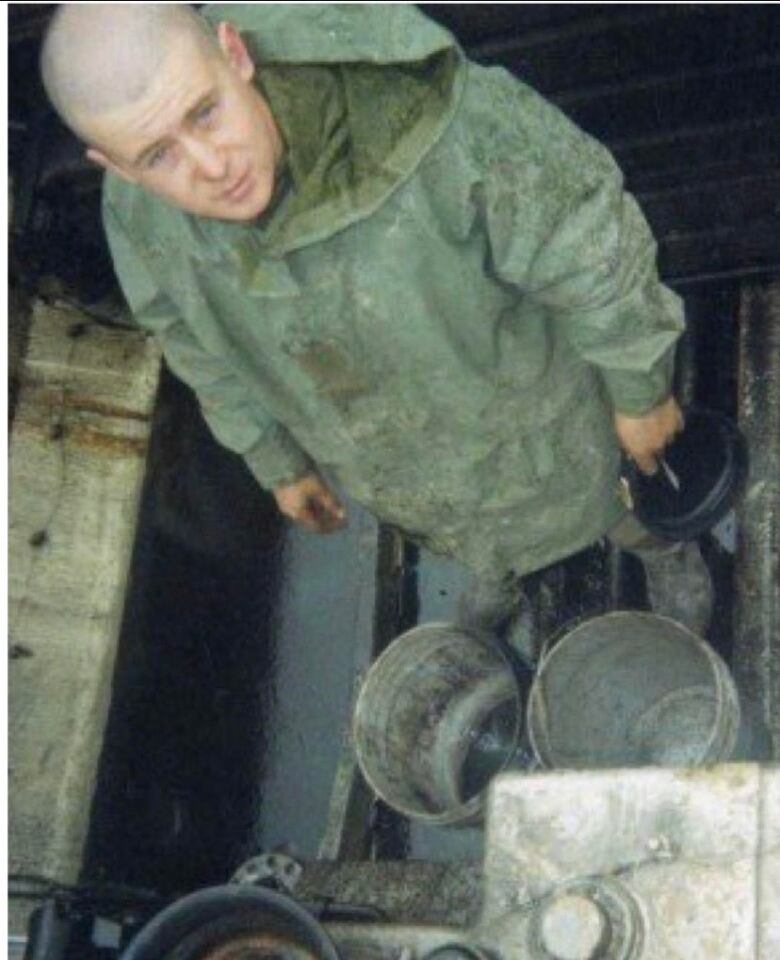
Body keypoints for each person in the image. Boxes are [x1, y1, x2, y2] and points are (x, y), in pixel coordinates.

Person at [40, 3, 712, 633]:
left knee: (611, 484)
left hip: (529, 402)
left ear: (235, 53)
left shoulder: (432, 122)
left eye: (207, 113)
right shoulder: (137, 220)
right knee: (450, 524)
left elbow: (588, 239)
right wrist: (277, 461)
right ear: (115, 168)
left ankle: (660, 544)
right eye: (159, 156)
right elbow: (195, 347)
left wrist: (639, 388)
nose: (212, 167)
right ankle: (494, 568)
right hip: (386, 451)